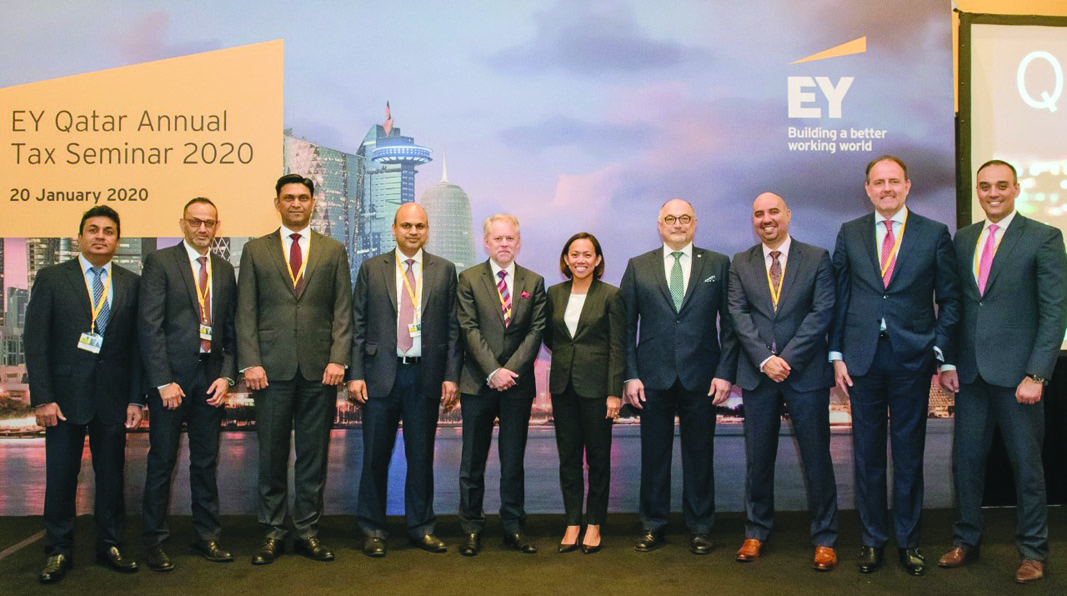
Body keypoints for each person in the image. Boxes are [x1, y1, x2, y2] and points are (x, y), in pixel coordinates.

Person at [937, 160, 1067, 584]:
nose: (992, 194)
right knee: (966, 464)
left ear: (1016, 189)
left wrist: (1038, 374)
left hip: (1019, 379)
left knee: (1026, 467)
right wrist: (950, 361)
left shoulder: (1044, 238)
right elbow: (957, 307)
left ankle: (1033, 552)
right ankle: (965, 541)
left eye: (1001, 186)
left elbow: (1054, 313)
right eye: (985, 187)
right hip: (970, 376)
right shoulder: (964, 239)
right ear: (978, 190)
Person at [829, 155, 960, 576]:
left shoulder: (934, 234)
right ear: (867, 189)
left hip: (912, 359)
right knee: (866, 457)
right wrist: (836, 355)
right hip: (862, 359)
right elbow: (839, 299)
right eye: (878, 183)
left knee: (908, 456)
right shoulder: (849, 234)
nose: (886, 189)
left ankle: (909, 542)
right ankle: (872, 542)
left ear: (907, 186)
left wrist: (939, 350)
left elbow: (951, 299)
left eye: (893, 182)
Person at [236, 174, 352, 565]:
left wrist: (339, 358)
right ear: (277, 203)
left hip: (321, 371)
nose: (297, 204)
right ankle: (272, 532)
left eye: (303, 197)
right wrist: (250, 361)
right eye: (289, 198)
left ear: (313, 202)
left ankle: (307, 531)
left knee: (313, 457)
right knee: (270, 457)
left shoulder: (334, 251)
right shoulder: (255, 250)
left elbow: (342, 311)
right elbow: (245, 312)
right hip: (269, 370)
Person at [25, 205, 145, 583]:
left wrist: (136, 398)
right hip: (63, 399)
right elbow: (35, 341)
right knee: (62, 476)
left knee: (112, 477)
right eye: (92, 230)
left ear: (117, 239)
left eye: (108, 231)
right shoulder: (52, 278)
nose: (100, 236)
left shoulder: (131, 282)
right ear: (79, 237)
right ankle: (58, 550)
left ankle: (110, 544)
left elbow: (138, 348)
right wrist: (42, 398)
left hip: (112, 398)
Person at [727, 192, 839, 570]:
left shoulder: (817, 258)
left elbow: (822, 312)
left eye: (773, 211)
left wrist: (786, 359)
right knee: (758, 460)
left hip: (804, 373)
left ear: (788, 215)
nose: (766, 219)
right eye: (758, 213)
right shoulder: (740, 262)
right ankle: (756, 532)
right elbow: (737, 314)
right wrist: (764, 359)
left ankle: (825, 538)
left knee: (817, 458)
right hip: (758, 376)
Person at [620, 198, 737, 555]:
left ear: (695, 223)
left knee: (700, 455)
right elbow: (625, 328)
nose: (677, 223)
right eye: (670, 218)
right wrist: (630, 375)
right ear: (659, 224)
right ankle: (653, 525)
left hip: (702, 376)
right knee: (654, 457)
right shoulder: (638, 266)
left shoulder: (718, 263)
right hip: (651, 378)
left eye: (684, 218)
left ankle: (700, 527)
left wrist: (724, 373)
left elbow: (730, 326)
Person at [348, 203, 462, 558]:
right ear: (394, 229)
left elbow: (453, 329)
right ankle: (372, 529)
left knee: (421, 456)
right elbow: (357, 325)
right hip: (380, 375)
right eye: (406, 226)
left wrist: (450, 377)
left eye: (420, 226)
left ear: (427, 230)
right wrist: (355, 375)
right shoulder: (371, 268)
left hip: (425, 375)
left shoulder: (444, 271)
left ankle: (421, 527)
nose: (413, 232)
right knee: (374, 458)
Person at [138, 197, 237, 571]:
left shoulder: (226, 270)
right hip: (170, 383)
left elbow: (230, 332)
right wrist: (162, 380)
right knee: (162, 461)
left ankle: (207, 536)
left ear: (217, 226)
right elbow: (150, 326)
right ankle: (154, 541)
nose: (202, 229)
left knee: (206, 462)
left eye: (209, 222)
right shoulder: (161, 263)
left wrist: (227, 376)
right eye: (195, 222)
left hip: (210, 380)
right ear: (183, 224)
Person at [456, 213, 547, 556]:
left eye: (510, 238)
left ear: (518, 242)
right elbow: (468, 329)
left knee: (513, 462)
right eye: (498, 239)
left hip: (518, 386)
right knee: (472, 462)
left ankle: (513, 527)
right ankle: (471, 528)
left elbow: (536, 331)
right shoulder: (467, 279)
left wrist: (510, 371)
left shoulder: (534, 282)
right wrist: (493, 370)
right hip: (478, 384)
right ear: (486, 242)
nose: (504, 244)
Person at [543, 232, 624, 555]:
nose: (580, 260)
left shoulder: (611, 295)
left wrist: (614, 392)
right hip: (563, 387)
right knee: (569, 460)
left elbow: (618, 346)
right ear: (566, 259)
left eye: (587, 255)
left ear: (598, 259)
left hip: (597, 389)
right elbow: (551, 337)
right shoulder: (553, 293)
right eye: (574, 254)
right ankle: (573, 522)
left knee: (599, 460)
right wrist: (568, 358)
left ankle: (594, 525)